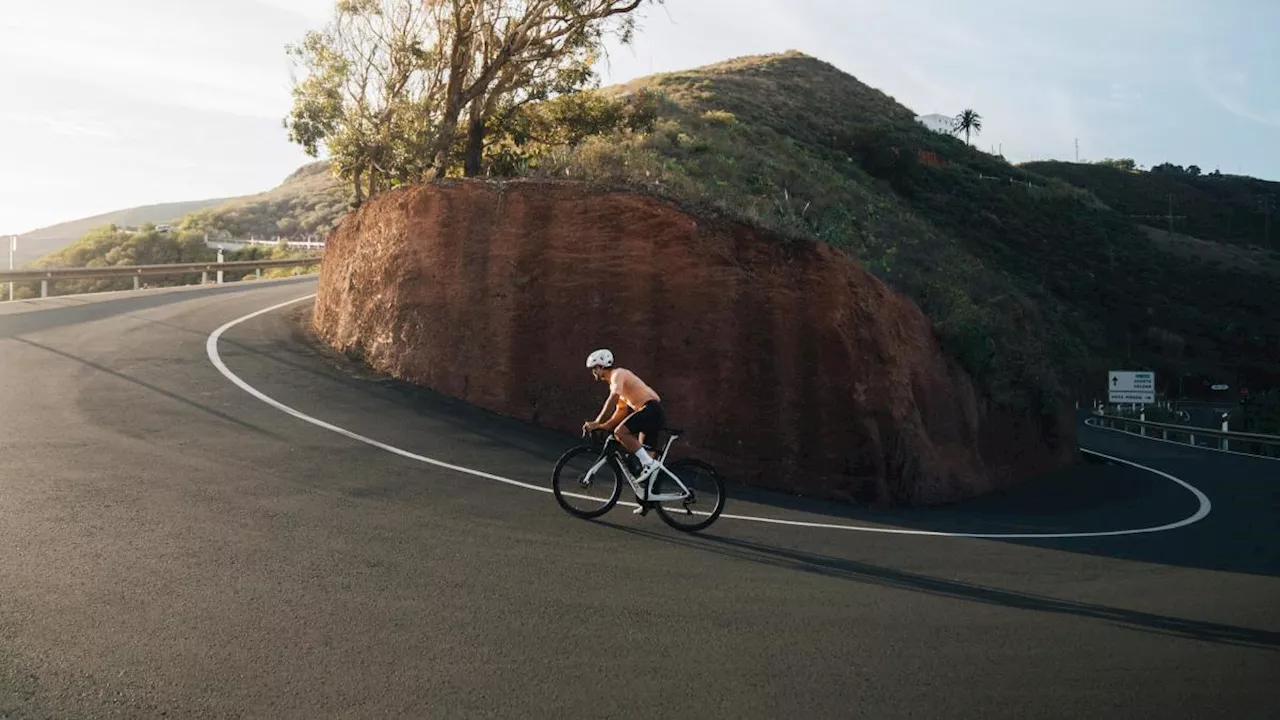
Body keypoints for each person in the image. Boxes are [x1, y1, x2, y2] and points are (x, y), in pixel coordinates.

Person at [582, 349, 665, 507]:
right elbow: (620, 411)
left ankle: (649, 463)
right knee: (645, 462)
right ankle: (648, 500)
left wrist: (596, 421)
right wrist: (602, 426)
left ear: (600, 367)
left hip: (651, 409)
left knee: (621, 433)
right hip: (652, 413)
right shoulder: (617, 383)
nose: (593, 372)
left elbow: (613, 398)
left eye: (594, 368)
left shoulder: (617, 374)